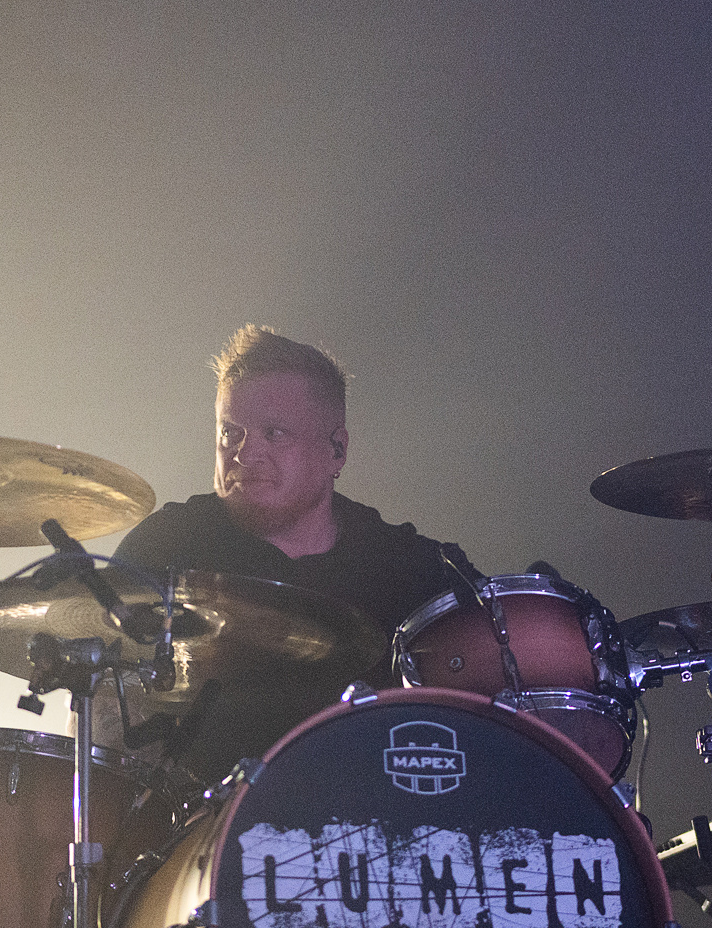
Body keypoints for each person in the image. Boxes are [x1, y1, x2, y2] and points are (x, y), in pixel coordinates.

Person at [113, 325, 458, 781]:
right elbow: (102, 703)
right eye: (229, 433)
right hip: (197, 816)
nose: (243, 454)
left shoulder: (406, 566)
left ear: (337, 450)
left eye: (274, 434)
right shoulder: (165, 546)